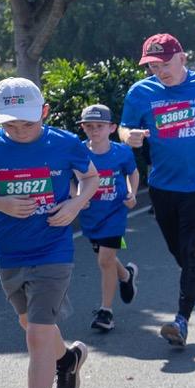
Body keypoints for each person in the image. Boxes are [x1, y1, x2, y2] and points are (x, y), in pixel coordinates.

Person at [0, 78, 98, 388]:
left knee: (36, 334)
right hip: (11, 253)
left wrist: (74, 206)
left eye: (27, 124)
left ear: (44, 113)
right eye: (10, 125)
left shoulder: (65, 143)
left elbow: (91, 178)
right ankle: (67, 358)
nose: (18, 132)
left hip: (54, 250)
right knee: (29, 326)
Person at [120, 33, 195, 347]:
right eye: (153, 66)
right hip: (161, 187)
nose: (160, 71)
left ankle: (181, 320)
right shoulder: (141, 92)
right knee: (179, 252)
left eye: (165, 63)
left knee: (191, 250)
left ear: (182, 57)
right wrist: (128, 135)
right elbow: (124, 125)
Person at [77, 104, 140, 332]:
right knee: (107, 258)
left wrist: (132, 192)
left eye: (100, 126)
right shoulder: (79, 152)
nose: (95, 131)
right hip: (91, 215)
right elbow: (72, 178)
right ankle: (126, 275)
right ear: (83, 127)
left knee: (104, 260)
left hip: (115, 213)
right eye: (89, 126)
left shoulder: (121, 152)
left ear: (112, 128)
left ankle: (106, 312)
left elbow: (132, 173)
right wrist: (77, 197)